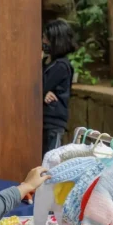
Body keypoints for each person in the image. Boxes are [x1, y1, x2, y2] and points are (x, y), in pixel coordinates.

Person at [42, 19, 75, 157]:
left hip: (53, 123)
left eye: (46, 39)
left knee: (50, 159)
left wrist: (43, 91)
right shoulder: (46, 63)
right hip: (43, 120)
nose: (43, 42)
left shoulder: (61, 65)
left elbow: (41, 85)